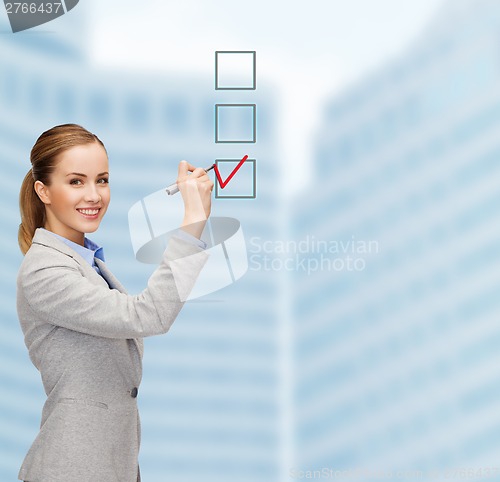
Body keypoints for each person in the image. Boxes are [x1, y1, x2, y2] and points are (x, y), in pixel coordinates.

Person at [16, 124, 213, 482]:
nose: (94, 195)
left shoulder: (90, 263)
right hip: (71, 468)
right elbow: (149, 314)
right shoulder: (44, 269)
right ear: (43, 191)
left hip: (110, 466)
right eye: (76, 181)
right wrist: (192, 224)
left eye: (102, 180)